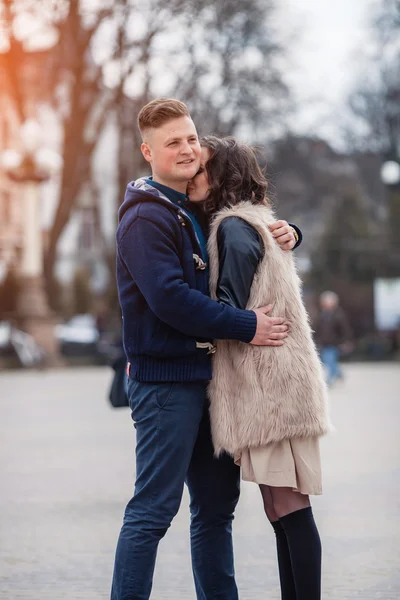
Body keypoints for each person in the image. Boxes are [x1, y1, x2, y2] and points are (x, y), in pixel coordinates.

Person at [111, 98, 302, 600]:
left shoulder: (193, 209)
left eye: (192, 138)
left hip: (209, 383)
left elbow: (247, 225)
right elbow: (171, 300)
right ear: (148, 151)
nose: (188, 149)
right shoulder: (145, 218)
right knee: (153, 511)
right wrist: (245, 325)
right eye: (173, 142)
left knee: (215, 513)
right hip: (165, 385)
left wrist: (289, 230)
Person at [188, 135, 331, 600]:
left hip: (270, 387)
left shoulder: (232, 228)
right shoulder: (251, 221)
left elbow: (228, 306)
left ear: (222, 177)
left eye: (201, 168)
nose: (193, 173)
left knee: (287, 504)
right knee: (279, 506)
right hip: (278, 382)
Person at [314, 290, 353, 386]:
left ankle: (330, 380)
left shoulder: (339, 315)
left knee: (329, 359)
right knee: (326, 361)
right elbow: (317, 329)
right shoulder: (321, 315)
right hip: (323, 342)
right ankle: (338, 373)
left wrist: (346, 341)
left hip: (334, 343)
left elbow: (345, 330)